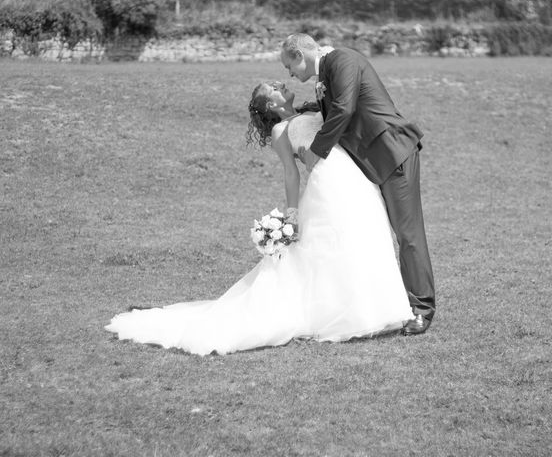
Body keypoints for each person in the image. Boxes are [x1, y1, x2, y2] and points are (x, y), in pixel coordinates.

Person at [104, 81, 413, 356]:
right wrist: (292, 214)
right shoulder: (281, 131)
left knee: (363, 237)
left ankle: (378, 307)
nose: (282, 84)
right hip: (326, 184)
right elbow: (291, 175)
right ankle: (348, 314)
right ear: (272, 105)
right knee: (335, 244)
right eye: (275, 88)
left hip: (352, 177)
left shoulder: (313, 108)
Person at [280, 33, 435, 334]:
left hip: (393, 151)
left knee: (408, 233)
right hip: (377, 160)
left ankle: (422, 309)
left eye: (289, 66)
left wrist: (315, 152)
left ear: (300, 54)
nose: (289, 74)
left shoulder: (342, 59)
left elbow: (344, 109)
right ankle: (403, 301)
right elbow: (331, 108)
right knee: (396, 232)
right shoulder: (325, 73)